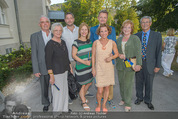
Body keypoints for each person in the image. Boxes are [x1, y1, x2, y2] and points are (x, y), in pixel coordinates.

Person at [62, 13, 93, 102]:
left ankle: (82, 93)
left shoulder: (78, 29)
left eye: (71, 18)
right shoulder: (62, 31)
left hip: (80, 60)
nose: (69, 20)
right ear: (65, 20)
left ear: (74, 19)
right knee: (69, 80)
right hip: (68, 59)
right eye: (67, 18)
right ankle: (70, 96)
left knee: (82, 80)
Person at [90, 9, 116, 107]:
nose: (102, 19)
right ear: (98, 18)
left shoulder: (112, 29)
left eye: (104, 17)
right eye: (101, 17)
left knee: (109, 84)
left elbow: (114, 43)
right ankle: (99, 99)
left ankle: (109, 99)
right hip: (98, 60)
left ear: (107, 18)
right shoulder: (92, 29)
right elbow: (92, 44)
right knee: (99, 84)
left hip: (108, 59)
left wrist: (112, 56)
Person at [135, 16, 162, 110]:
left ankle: (148, 100)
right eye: (143, 22)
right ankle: (139, 98)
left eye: (147, 22)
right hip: (139, 63)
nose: (145, 24)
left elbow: (159, 51)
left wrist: (158, 65)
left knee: (149, 83)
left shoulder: (157, 35)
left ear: (150, 23)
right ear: (140, 24)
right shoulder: (136, 35)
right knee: (138, 81)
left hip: (150, 63)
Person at [45, 23, 72, 112]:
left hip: (65, 71)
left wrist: (70, 67)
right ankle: (56, 112)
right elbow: (48, 62)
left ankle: (64, 109)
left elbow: (66, 56)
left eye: (60, 30)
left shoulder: (63, 42)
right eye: (56, 30)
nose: (58, 32)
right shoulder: (49, 44)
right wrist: (51, 76)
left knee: (64, 91)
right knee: (57, 93)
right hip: (56, 73)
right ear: (52, 31)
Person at [92, 24, 119, 113]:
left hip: (109, 68)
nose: (103, 33)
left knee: (107, 88)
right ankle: (99, 104)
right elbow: (93, 56)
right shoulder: (95, 43)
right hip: (99, 68)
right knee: (100, 90)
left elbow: (116, 54)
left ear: (108, 32)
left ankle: (104, 105)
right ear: (99, 32)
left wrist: (111, 58)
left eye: (105, 31)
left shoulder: (112, 42)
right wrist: (93, 68)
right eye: (102, 31)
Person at [116, 20, 142, 112]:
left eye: (129, 27)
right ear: (122, 28)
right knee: (121, 83)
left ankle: (127, 103)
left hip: (130, 64)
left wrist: (139, 64)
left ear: (131, 29)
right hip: (120, 64)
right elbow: (115, 51)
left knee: (128, 84)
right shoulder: (118, 39)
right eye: (125, 27)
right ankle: (123, 99)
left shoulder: (135, 38)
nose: (126, 29)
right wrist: (118, 55)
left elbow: (139, 52)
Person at [30, 15, 51, 112]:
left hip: (55, 67)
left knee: (56, 87)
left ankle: (57, 102)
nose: (45, 23)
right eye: (43, 22)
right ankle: (46, 103)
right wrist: (36, 70)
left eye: (47, 21)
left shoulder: (55, 34)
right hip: (42, 67)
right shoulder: (34, 36)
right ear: (39, 24)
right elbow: (34, 54)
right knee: (44, 88)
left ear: (49, 23)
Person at [72, 23, 93, 111]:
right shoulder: (76, 42)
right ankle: (83, 102)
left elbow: (92, 54)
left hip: (89, 67)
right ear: (79, 31)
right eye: (82, 29)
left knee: (89, 83)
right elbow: (73, 55)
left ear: (88, 31)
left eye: (86, 29)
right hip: (81, 68)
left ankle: (82, 96)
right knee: (82, 85)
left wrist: (91, 62)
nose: (84, 31)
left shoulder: (89, 41)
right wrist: (84, 61)